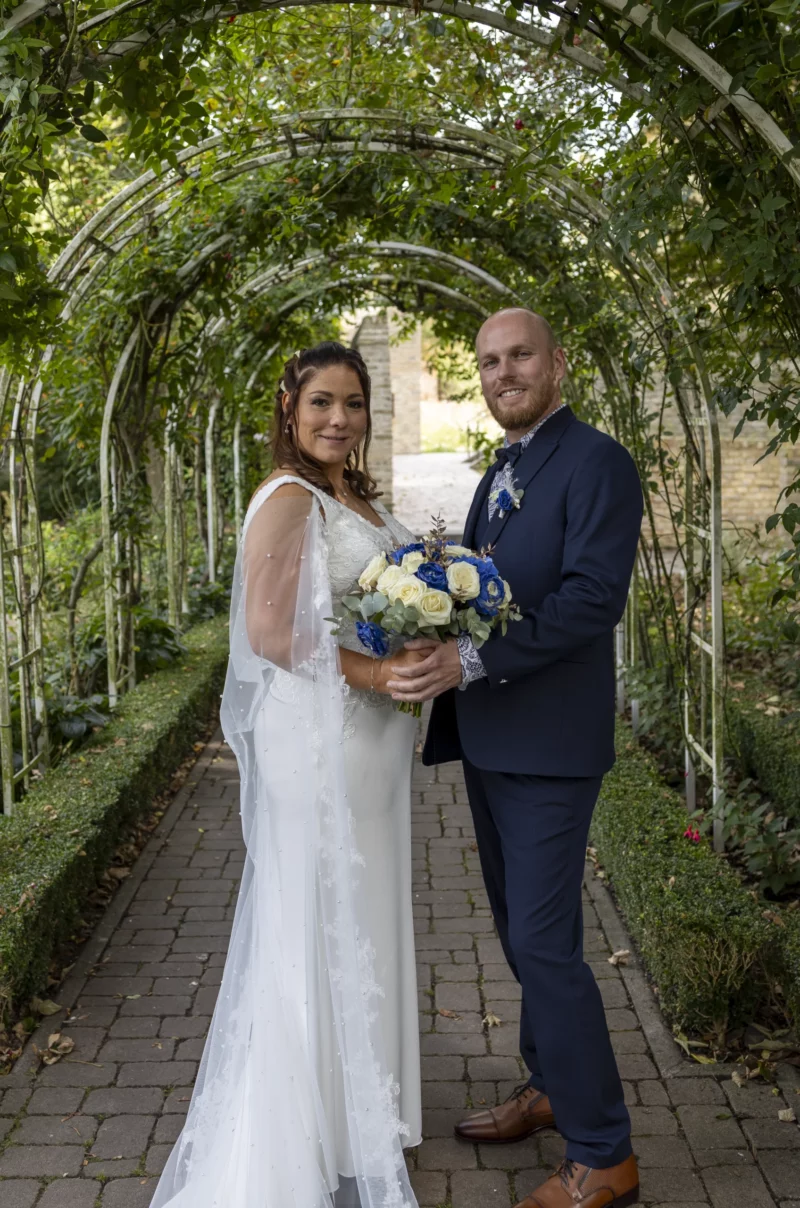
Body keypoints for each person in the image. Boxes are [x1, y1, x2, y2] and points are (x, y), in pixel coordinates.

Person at [150, 342, 424, 1208]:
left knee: (364, 911)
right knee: (315, 916)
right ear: (289, 408)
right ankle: (301, 1130)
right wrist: (379, 674)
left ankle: (358, 1117)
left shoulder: (354, 496)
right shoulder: (288, 499)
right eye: (321, 404)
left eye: (352, 404)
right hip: (319, 740)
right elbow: (272, 636)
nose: (337, 419)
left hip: (371, 742)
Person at [387, 309, 643, 1208]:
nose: (503, 373)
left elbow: (588, 601)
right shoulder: (507, 464)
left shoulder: (598, 462)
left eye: (520, 355)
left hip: (551, 747)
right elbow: (490, 584)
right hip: (494, 737)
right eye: (490, 362)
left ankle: (604, 1149)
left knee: (544, 945)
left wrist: (470, 658)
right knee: (520, 938)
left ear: (558, 362)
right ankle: (549, 1087)